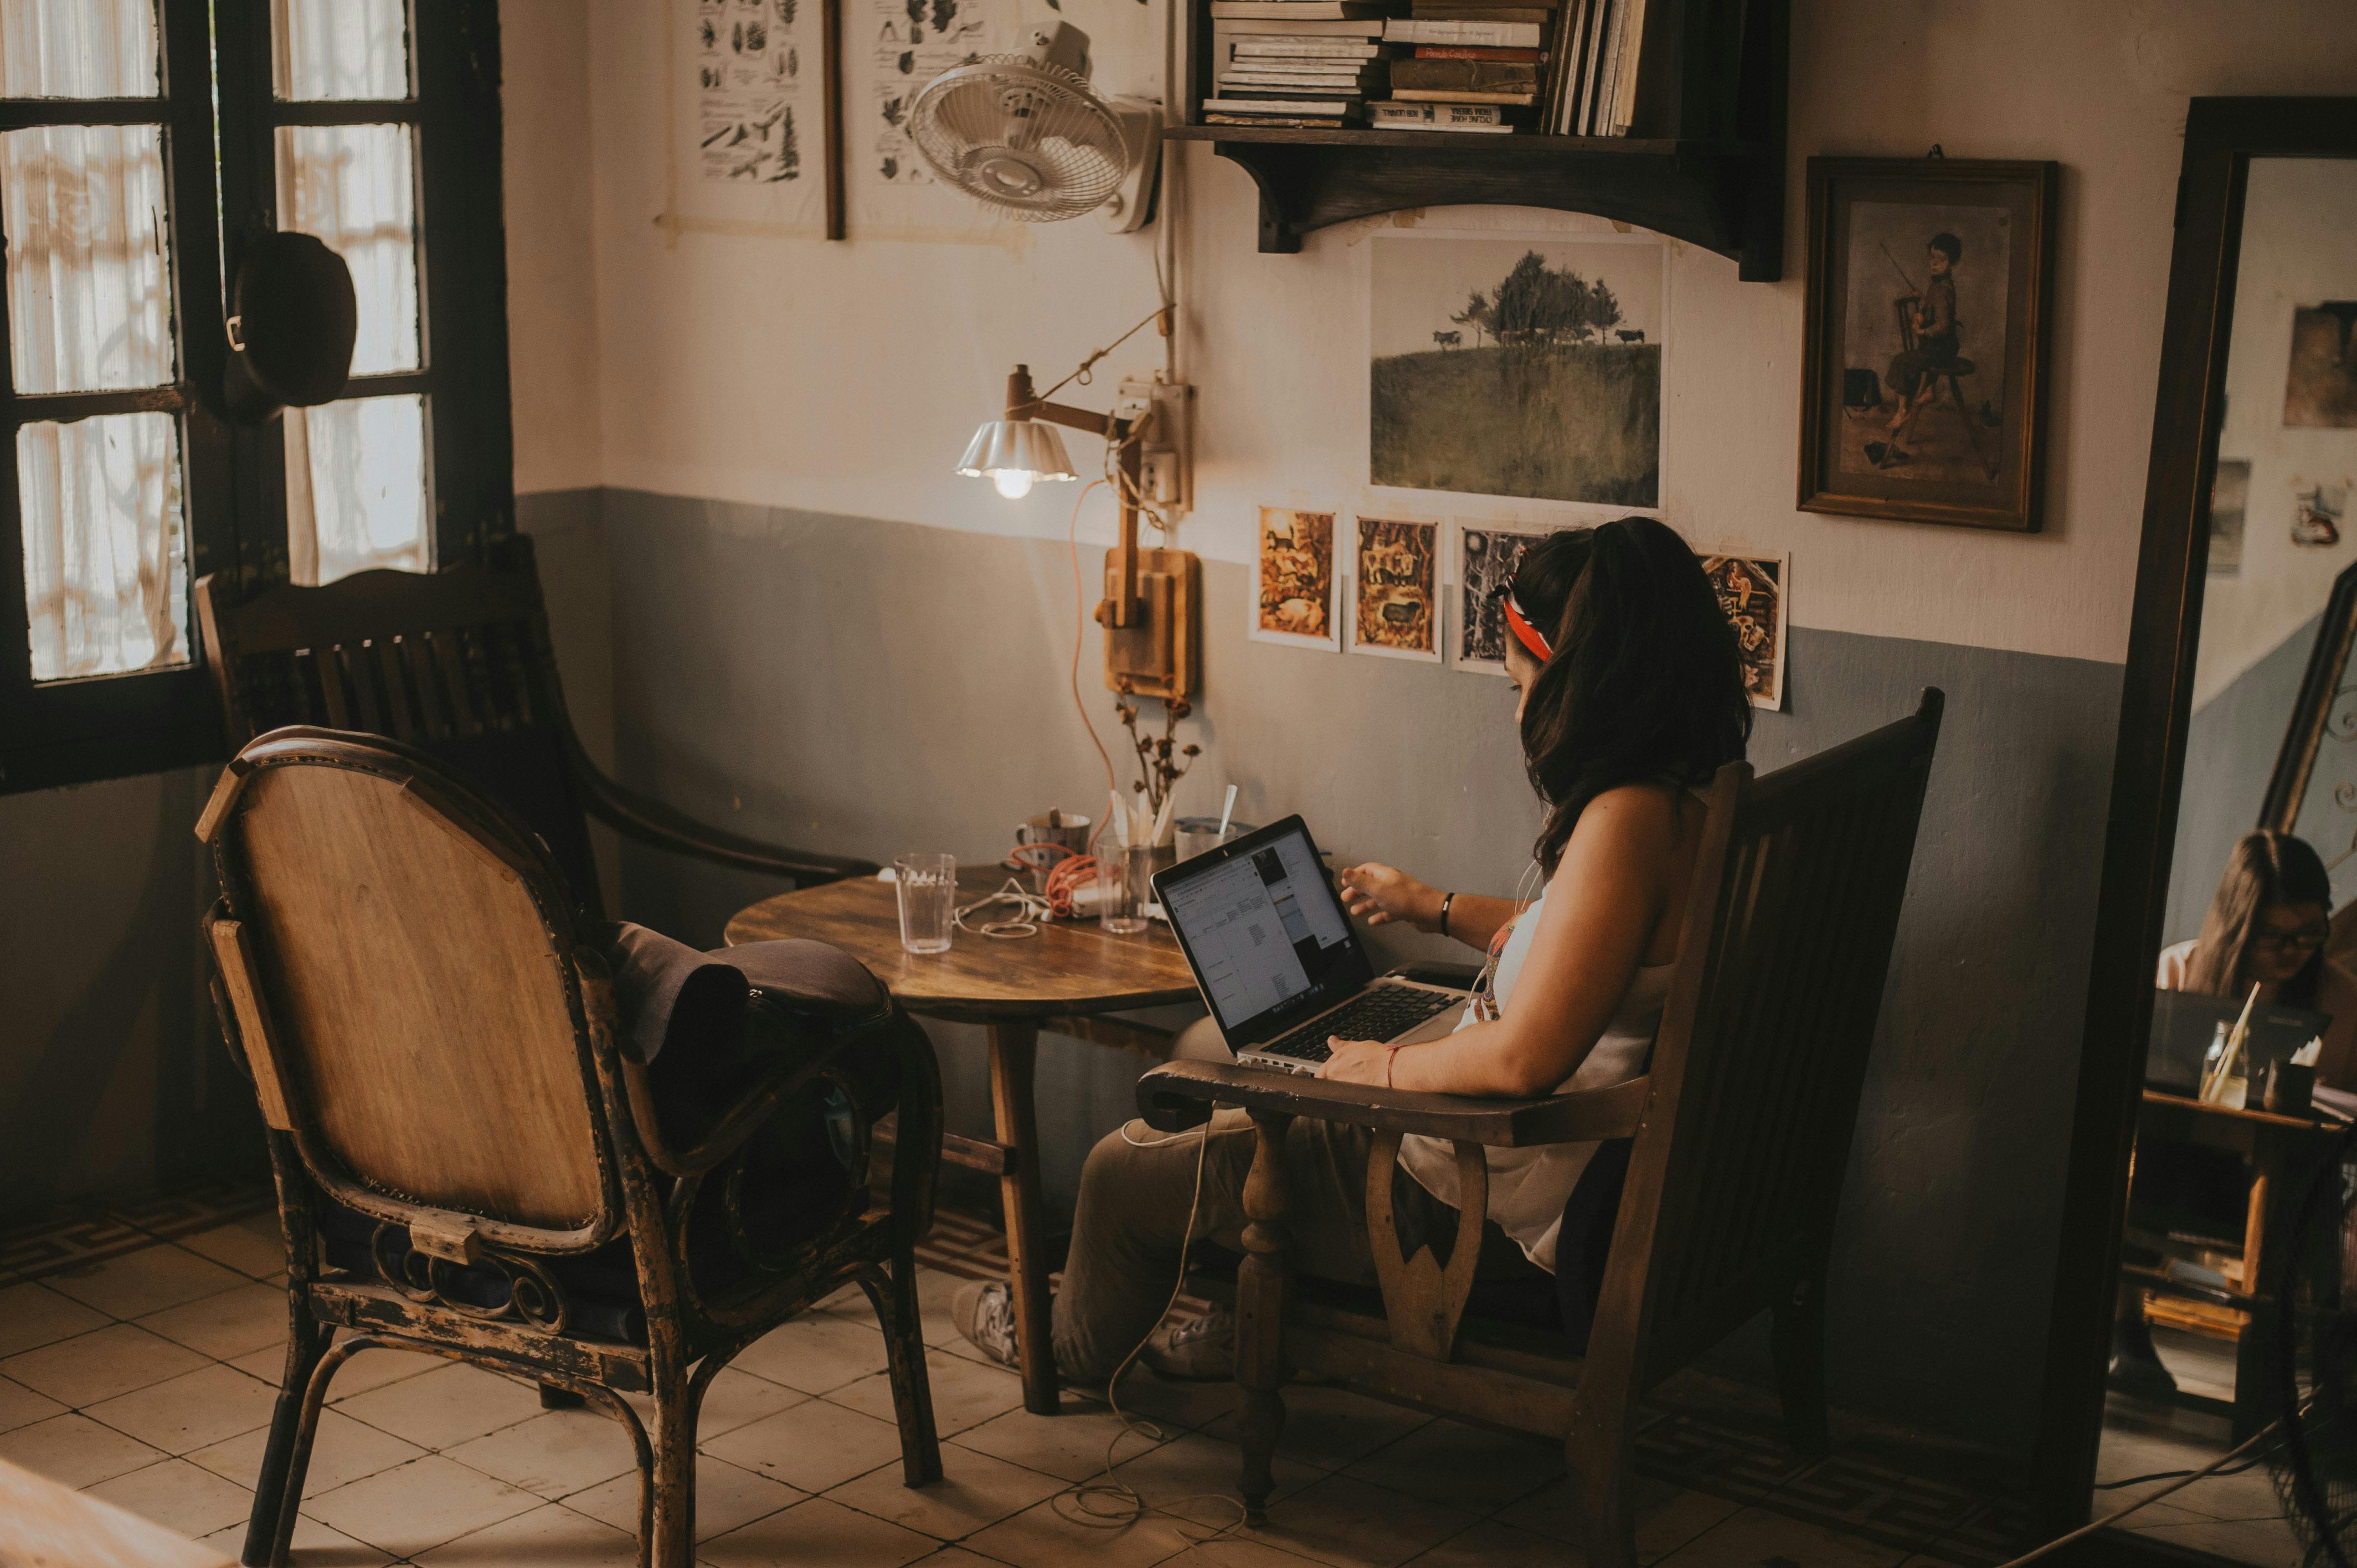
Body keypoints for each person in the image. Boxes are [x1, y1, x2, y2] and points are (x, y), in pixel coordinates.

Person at [954, 517, 1753, 1384]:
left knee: (1120, 1167)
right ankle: (1246, 1312)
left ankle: (1062, 1345)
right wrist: (1433, 908)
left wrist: (1385, 1071)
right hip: (1518, 1157)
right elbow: (1587, 946)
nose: (1523, 710)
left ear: (1584, 686)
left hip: (1468, 1190)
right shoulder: (1693, 801)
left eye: (1526, 685)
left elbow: (1525, 1062)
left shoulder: (1624, 823)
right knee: (1215, 1049)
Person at [2156, 829, 2357, 1087]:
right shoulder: (2176, 972)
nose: (2290, 950)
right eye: (2271, 934)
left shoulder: (2346, 1002)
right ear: (2235, 926)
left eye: (2309, 933)